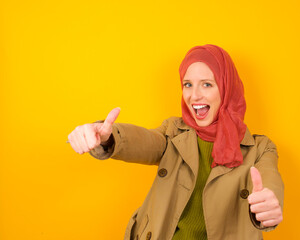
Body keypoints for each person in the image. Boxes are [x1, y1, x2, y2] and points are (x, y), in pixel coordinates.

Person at [67, 44, 284, 240]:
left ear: (227, 88)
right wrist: (107, 137)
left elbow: (269, 180)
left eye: (207, 85)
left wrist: (269, 203)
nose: (194, 95)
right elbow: (145, 142)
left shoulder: (260, 148)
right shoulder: (174, 132)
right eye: (187, 84)